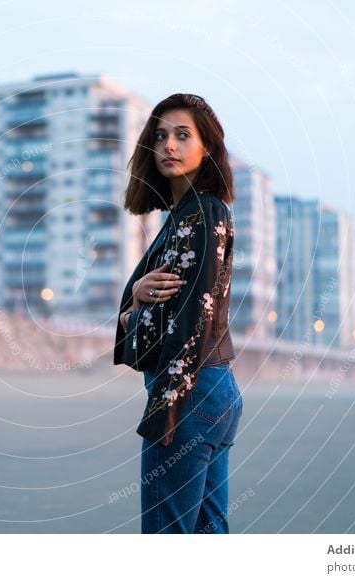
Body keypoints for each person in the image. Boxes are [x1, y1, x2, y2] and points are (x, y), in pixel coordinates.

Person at [113, 93, 243, 534]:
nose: (169, 144)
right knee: (208, 534)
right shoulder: (185, 217)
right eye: (161, 135)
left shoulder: (203, 213)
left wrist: (166, 408)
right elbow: (171, 309)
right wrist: (136, 301)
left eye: (183, 135)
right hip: (210, 389)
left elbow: (194, 316)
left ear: (207, 147)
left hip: (188, 392)